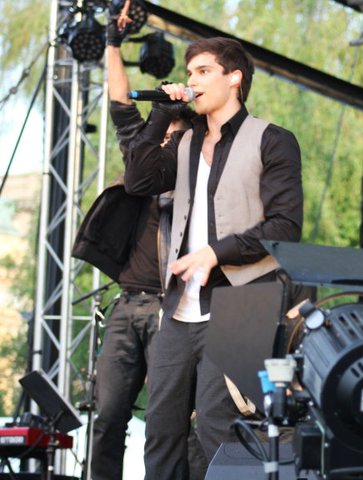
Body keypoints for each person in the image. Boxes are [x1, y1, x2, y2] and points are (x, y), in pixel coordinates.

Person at [123, 37, 303, 479]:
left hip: (242, 303)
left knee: (217, 426)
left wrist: (215, 253)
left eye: (203, 71)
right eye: (189, 73)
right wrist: (161, 113)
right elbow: (137, 180)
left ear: (234, 78)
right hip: (180, 308)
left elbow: (285, 227)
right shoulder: (185, 143)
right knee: (161, 430)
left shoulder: (272, 140)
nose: (192, 80)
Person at [71, 16, 202, 480]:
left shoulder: (198, 168)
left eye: (172, 135)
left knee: (170, 422)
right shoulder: (141, 155)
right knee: (107, 416)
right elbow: (120, 101)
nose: (163, 140)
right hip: (128, 306)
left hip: (174, 307)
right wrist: (112, 41)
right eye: (160, 133)